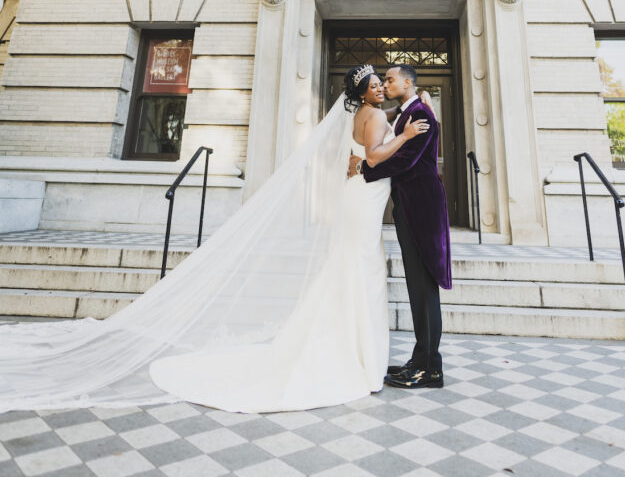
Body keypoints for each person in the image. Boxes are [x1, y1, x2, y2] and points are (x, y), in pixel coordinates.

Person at [0, 64, 426, 414]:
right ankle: (353, 359)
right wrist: (405, 137)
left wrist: (390, 135)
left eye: (382, 83)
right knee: (359, 270)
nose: (380, 88)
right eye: (375, 84)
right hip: (363, 203)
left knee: (354, 270)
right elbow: (372, 157)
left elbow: (362, 155)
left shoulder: (367, 115)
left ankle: (352, 351)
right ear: (364, 93)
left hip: (362, 200)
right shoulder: (374, 116)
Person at [348, 63, 452, 389]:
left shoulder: (420, 113)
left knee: (423, 289)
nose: (386, 83)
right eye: (382, 80)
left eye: (390, 79)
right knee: (417, 288)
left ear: (407, 83)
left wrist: (363, 168)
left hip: (422, 210)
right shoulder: (406, 112)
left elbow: (403, 160)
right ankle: (420, 360)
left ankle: (430, 369)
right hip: (410, 208)